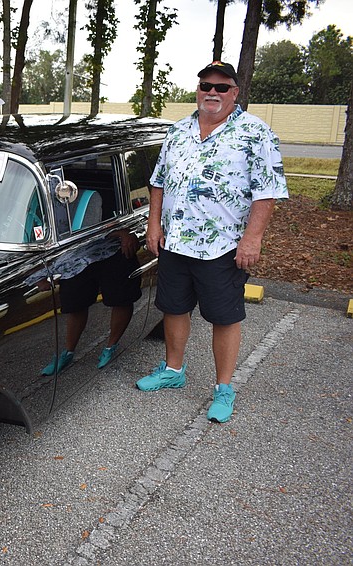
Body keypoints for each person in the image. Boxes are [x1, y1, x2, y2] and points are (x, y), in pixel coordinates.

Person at [136, 61, 288, 423]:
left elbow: (267, 192)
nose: (212, 93)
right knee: (174, 308)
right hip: (175, 242)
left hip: (222, 246)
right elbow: (158, 183)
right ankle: (173, 371)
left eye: (221, 87)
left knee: (224, 316)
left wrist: (252, 239)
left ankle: (223, 388)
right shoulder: (178, 131)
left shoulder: (256, 132)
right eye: (206, 85)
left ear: (235, 92)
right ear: (198, 90)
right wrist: (153, 225)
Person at [41, 229, 143, 375]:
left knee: (121, 298)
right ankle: (68, 352)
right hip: (74, 253)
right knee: (75, 304)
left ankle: (111, 346)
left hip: (112, 247)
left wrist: (123, 232)